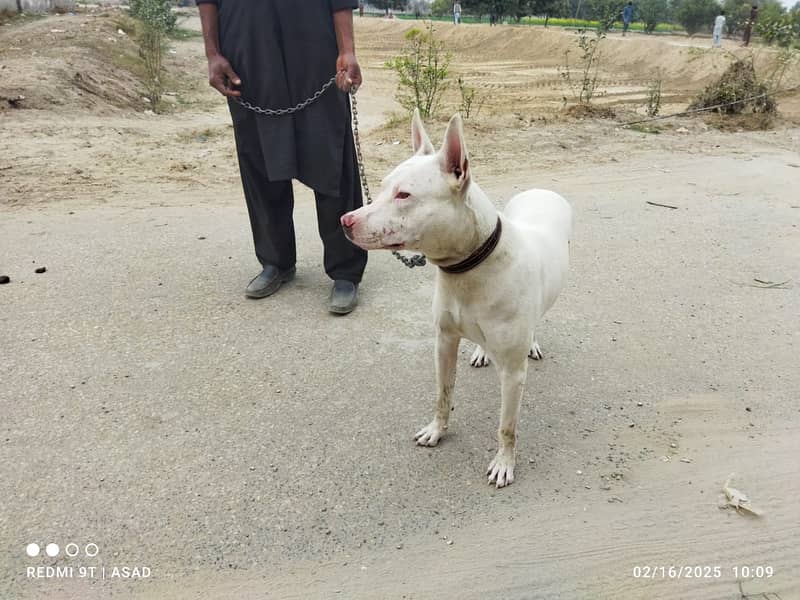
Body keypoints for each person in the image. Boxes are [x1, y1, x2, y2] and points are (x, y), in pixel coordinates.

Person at [197, 0, 367, 315]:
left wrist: (347, 50)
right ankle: (276, 261)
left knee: (330, 153)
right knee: (259, 157)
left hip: (314, 47)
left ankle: (346, 269)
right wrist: (213, 54)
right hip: (247, 47)